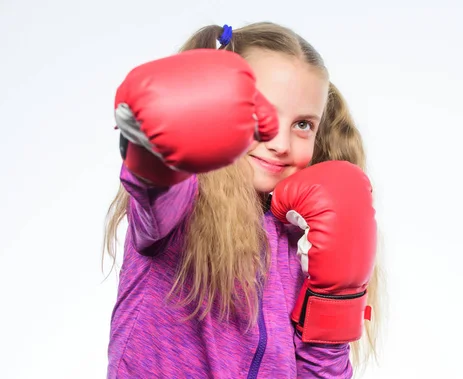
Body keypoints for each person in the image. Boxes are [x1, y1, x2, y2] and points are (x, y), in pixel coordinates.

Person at [103, 21, 383, 379]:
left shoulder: (303, 239)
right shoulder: (181, 206)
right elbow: (156, 184)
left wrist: (336, 299)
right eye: (259, 114)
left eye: (302, 125)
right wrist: (158, 132)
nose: (280, 143)